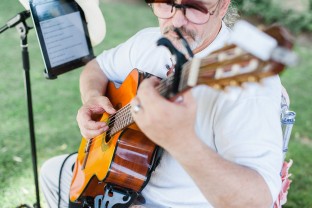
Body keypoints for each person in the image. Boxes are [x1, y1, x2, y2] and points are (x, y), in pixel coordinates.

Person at [40, 0, 285, 207]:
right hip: (120, 182)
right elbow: (97, 67)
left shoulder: (249, 88)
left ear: (222, 6)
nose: (176, 22)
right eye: (166, 4)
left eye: (194, 7)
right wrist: (92, 97)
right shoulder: (148, 41)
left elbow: (258, 199)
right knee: (52, 172)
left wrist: (179, 141)